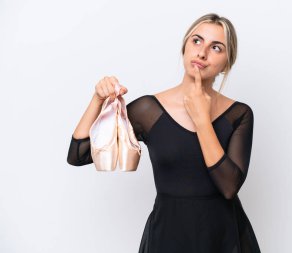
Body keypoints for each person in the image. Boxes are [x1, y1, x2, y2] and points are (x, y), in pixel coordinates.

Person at [67, 13, 261, 253]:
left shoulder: (239, 114)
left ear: (227, 63)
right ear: (185, 46)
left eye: (216, 47)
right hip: (167, 238)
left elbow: (229, 186)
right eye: (197, 41)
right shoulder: (149, 110)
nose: (202, 53)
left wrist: (202, 119)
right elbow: (78, 154)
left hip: (224, 239)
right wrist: (97, 99)